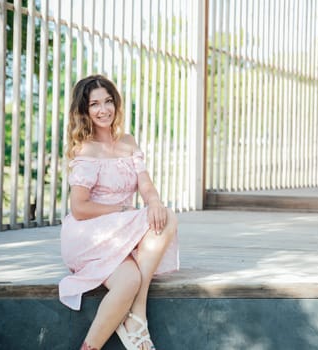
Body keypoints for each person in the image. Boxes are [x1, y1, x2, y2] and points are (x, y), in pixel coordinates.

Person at [58, 74, 179, 350]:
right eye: (95, 104)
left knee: (130, 280)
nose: (104, 110)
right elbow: (79, 208)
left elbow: (145, 185)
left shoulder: (127, 141)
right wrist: (122, 209)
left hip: (120, 229)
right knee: (165, 219)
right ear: (85, 111)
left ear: (116, 103)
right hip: (89, 232)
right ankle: (136, 317)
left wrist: (155, 201)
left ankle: (125, 321)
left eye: (108, 101)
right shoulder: (86, 148)